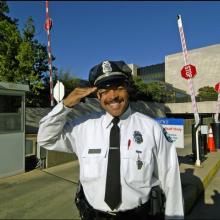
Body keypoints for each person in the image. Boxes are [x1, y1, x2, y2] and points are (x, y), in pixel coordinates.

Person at [37, 60, 184, 220]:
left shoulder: (152, 128)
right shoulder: (82, 127)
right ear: (97, 95)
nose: (113, 96)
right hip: (92, 216)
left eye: (119, 88)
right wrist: (65, 106)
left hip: (139, 215)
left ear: (128, 90)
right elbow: (46, 138)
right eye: (105, 91)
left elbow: (170, 178)